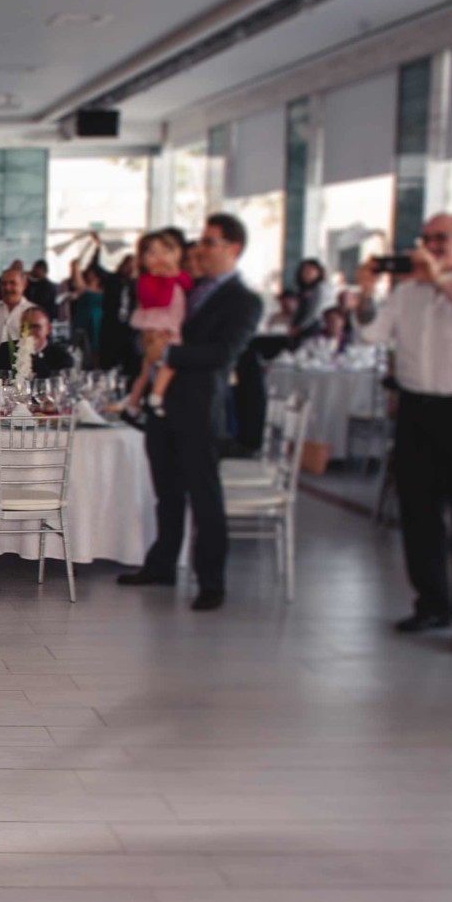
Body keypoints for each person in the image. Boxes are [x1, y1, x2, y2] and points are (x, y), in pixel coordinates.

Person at [354, 212, 452, 653]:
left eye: (441, 238)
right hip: (417, 410)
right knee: (419, 513)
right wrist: (366, 292)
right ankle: (432, 602)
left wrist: (440, 278)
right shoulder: (407, 292)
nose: (431, 246)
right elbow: (370, 334)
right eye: (425, 238)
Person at [118, 213, 264, 611]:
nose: (201, 247)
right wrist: (146, 345)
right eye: (201, 240)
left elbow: (222, 354)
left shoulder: (245, 300)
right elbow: (155, 327)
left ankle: (211, 580)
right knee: (167, 493)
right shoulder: (195, 285)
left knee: (204, 497)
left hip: (200, 408)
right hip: (163, 406)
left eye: (210, 241)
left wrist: (165, 352)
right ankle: (162, 563)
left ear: (233, 248)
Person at [121, 229, 192, 415]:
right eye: (152, 253)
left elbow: (187, 284)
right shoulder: (146, 280)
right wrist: (167, 279)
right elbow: (159, 300)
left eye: (165, 252)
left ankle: (136, 402)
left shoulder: (176, 275)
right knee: (159, 365)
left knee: (153, 368)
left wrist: (174, 273)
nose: (159, 258)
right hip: (159, 325)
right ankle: (154, 397)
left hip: (171, 325)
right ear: (143, 258)